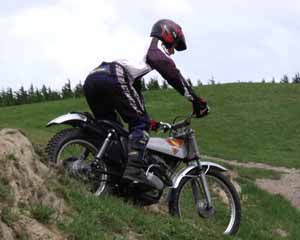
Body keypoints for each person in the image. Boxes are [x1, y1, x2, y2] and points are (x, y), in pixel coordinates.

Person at [83, 19, 208, 186]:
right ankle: (134, 170)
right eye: (174, 46)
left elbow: (134, 95)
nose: (172, 52)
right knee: (139, 123)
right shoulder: (155, 46)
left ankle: (105, 174)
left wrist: (150, 122)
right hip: (113, 75)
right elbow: (171, 72)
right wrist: (195, 99)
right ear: (168, 34)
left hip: (94, 77)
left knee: (112, 130)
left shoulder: (135, 53)